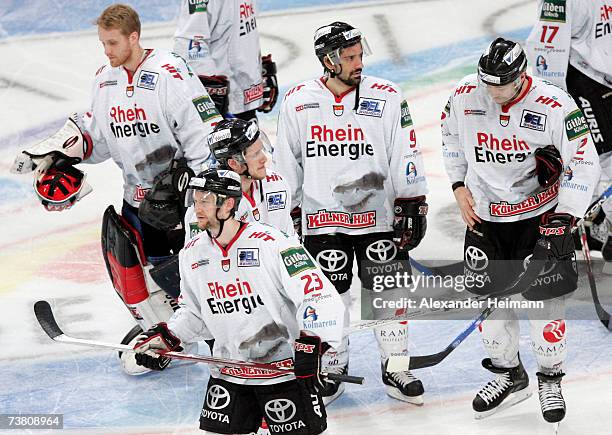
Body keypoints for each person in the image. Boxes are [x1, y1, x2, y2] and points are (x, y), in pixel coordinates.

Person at [10, 3, 222, 373]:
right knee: (141, 274)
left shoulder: (170, 74)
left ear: (134, 37)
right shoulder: (105, 80)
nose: (106, 51)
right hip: (136, 200)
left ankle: (220, 335)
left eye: (112, 42)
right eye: (102, 43)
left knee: (192, 272)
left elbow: (202, 137)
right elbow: (98, 138)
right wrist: (60, 154)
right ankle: (168, 335)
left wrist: (198, 197)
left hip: (180, 203)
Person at [441, 37, 600, 423]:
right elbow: (449, 139)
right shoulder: (464, 95)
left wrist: (565, 216)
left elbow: (585, 159)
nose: (492, 92)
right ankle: (509, 375)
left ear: (520, 76)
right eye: (487, 83)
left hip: (539, 218)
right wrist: (458, 185)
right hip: (485, 218)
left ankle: (549, 377)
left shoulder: (556, 104)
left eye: (501, 84)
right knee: (491, 306)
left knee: (544, 306)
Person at [274, 21, 429, 405]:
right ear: (328, 60)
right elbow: (285, 164)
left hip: (379, 218)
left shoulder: (388, 96)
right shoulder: (298, 101)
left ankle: (396, 366)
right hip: (322, 219)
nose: (359, 62)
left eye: (360, 55)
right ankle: (334, 366)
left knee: (389, 293)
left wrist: (411, 201)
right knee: (330, 298)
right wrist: (285, 215)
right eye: (350, 57)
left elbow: (405, 152)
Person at [133, 168, 344, 435]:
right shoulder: (191, 253)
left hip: (282, 373)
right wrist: (168, 336)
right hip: (228, 372)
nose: (197, 208)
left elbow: (318, 294)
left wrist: (313, 341)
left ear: (228, 204)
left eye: (206, 200)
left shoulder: (272, 243)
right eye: (196, 200)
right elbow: (195, 313)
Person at [525, 0, 612, 259]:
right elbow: (546, 50)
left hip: (603, 79)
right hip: (587, 81)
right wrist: (553, 108)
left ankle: (599, 221)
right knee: (600, 157)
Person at [184, 118, 295, 241]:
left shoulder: (277, 183)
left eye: (261, 150)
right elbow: (200, 256)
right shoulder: (207, 205)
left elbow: (290, 241)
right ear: (234, 163)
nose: (264, 158)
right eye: (255, 154)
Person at [173, 0, 278, 121]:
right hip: (225, 105)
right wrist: (208, 93)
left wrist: (256, 72)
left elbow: (237, 32)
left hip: (241, 99)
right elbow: (189, 45)